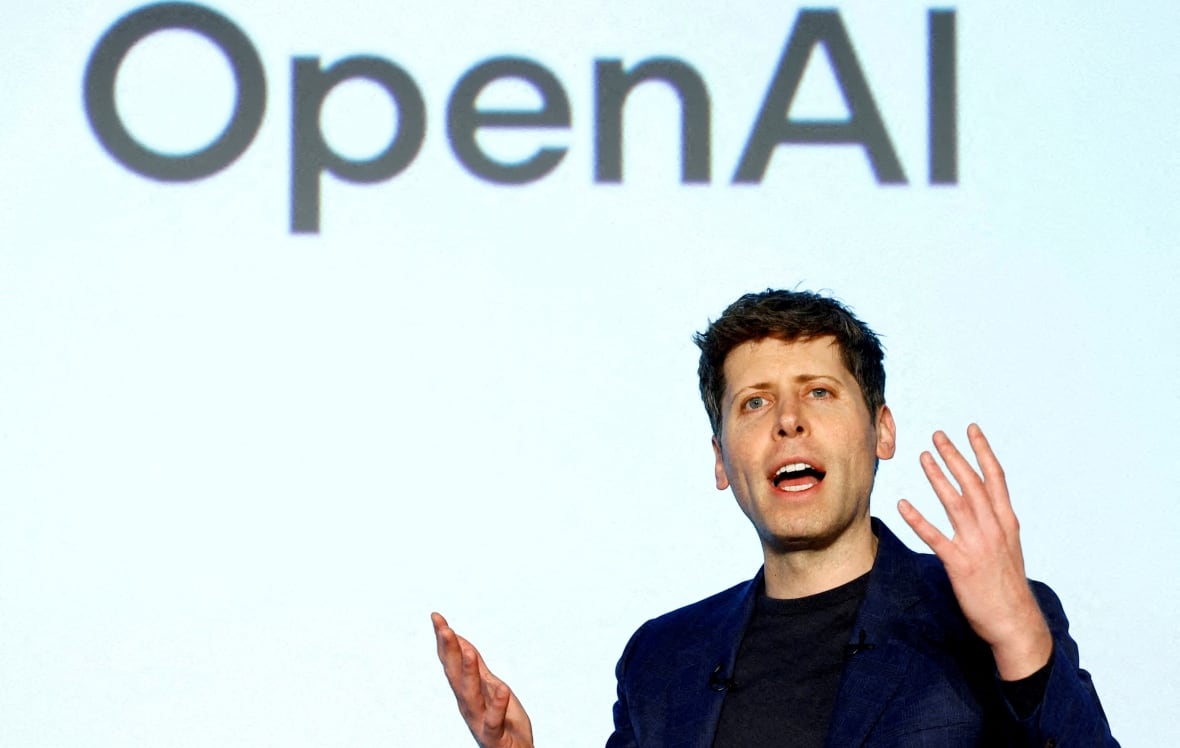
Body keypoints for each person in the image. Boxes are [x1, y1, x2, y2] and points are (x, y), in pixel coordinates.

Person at [432, 289, 1117, 747]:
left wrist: (1021, 640)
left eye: (819, 393)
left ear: (882, 431)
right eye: (754, 404)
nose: (788, 421)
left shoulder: (986, 621)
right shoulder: (662, 660)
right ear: (722, 459)